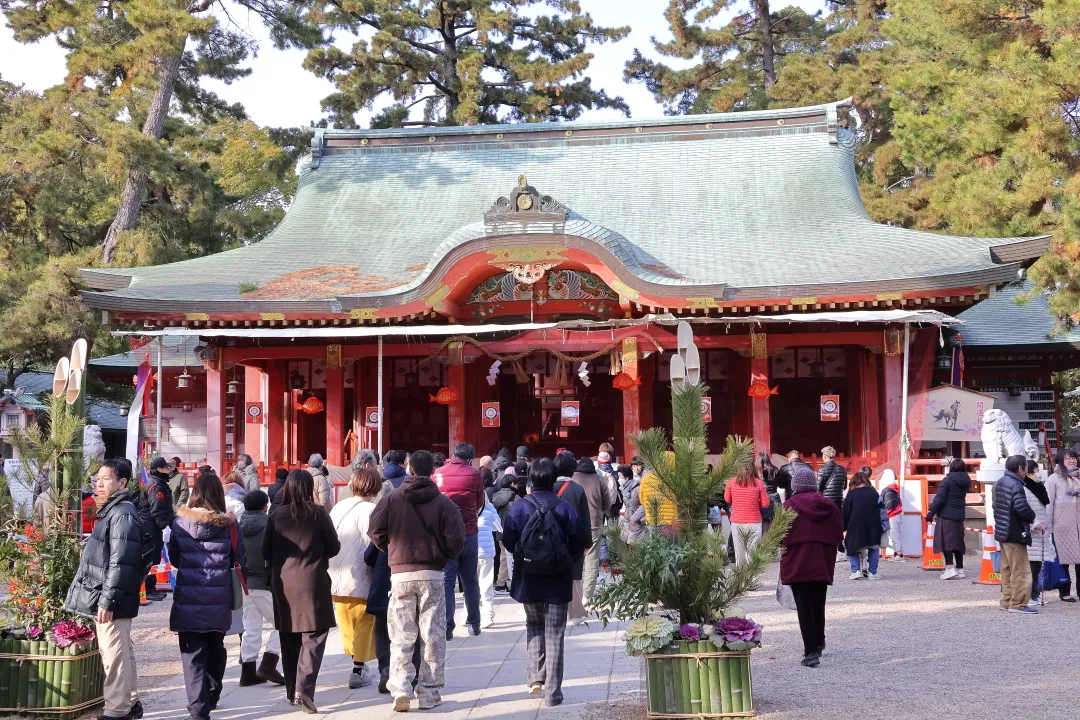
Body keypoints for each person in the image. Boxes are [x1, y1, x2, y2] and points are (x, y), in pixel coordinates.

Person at [368, 450, 466, 713]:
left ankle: (400, 688)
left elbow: (375, 531)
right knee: (432, 635)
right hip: (432, 573)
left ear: (409, 469)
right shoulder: (444, 503)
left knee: (401, 634)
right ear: (432, 471)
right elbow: (457, 540)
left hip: (401, 574)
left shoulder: (391, 499)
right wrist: (443, 555)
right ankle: (428, 692)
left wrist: (392, 551)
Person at [500, 457, 587, 707]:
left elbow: (508, 541)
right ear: (552, 480)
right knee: (555, 632)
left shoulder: (520, 507)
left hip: (529, 578)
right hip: (558, 579)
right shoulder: (564, 508)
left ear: (530, 480)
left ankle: (535, 678)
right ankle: (553, 693)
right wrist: (563, 559)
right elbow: (580, 542)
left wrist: (527, 556)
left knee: (534, 624)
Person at [64, 460, 146, 720]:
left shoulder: (121, 513)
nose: (99, 483)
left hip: (111, 598)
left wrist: (107, 601)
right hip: (112, 595)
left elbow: (121, 562)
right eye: (96, 478)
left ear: (122, 483)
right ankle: (130, 703)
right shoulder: (114, 510)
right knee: (121, 651)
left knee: (113, 655)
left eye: (106, 478)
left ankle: (116, 711)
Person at [264, 469, 342, 711]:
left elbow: (266, 551)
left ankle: (292, 691)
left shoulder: (275, 515)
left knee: (289, 637)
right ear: (309, 488)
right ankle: (303, 689)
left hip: (283, 583)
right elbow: (334, 546)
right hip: (312, 581)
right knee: (314, 635)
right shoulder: (318, 513)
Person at [169, 474, 244, 719]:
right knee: (216, 647)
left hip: (188, 596)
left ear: (195, 494)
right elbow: (238, 558)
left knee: (192, 655)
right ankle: (212, 694)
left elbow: (175, 559)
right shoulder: (230, 525)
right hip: (219, 596)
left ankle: (198, 709)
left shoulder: (179, 523)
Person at [780, 465, 844, 668]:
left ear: (795, 485)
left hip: (797, 560)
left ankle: (811, 652)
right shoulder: (829, 505)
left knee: (804, 606)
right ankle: (819, 641)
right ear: (814, 484)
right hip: (822, 560)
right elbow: (838, 534)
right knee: (818, 601)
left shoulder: (788, 506)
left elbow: (780, 535)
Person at [329, 466, 381, 689]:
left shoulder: (338, 507)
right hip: (360, 573)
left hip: (336, 572)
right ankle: (358, 669)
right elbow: (374, 544)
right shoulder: (370, 510)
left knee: (346, 622)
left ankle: (356, 663)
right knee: (364, 622)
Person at [432, 442, 485, 638]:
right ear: (470, 459)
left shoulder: (437, 474)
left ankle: (447, 626)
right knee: (470, 580)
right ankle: (474, 623)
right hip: (469, 532)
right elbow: (479, 502)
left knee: (447, 580)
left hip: (445, 534)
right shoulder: (474, 474)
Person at [238, 489, 286, 686]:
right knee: (284, 623)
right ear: (265, 507)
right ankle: (269, 663)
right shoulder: (270, 525)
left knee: (251, 628)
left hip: (244, 583)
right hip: (265, 582)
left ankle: (247, 672)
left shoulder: (237, 525)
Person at [993, 456, 1039, 614]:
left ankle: (1007, 601)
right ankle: (1018, 604)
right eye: (1025, 467)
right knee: (1020, 571)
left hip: (1002, 531)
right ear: (1020, 468)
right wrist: (1032, 516)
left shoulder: (1000, 482)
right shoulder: (1016, 485)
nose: (1026, 471)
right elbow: (1021, 507)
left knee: (1007, 571)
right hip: (1015, 531)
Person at [553, 451, 593, 625]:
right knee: (575, 577)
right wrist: (588, 542)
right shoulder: (577, 489)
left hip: (553, 538)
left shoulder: (549, 488)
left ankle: (556, 610)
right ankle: (576, 613)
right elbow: (585, 518)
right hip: (574, 539)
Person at [571, 457, 612, 603]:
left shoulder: (573, 478)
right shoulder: (599, 479)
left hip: (574, 524)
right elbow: (608, 503)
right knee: (592, 560)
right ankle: (587, 596)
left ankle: (573, 593)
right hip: (594, 523)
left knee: (575, 559)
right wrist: (599, 510)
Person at [925, 458, 971, 579]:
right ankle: (960, 569)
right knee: (958, 542)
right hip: (959, 515)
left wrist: (931, 512)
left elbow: (939, 498)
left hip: (946, 515)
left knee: (946, 543)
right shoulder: (966, 480)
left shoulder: (947, 481)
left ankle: (950, 568)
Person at [1047, 449, 1080, 602]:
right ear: (1061, 461)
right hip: (1062, 526)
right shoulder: (1053, 479)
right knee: (1063, 561)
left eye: (1074, 458)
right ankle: (1064, 591)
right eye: (1068, 459)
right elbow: (1048, 504)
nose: (1072, 461)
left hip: (1078, 525)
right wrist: (1048, 527)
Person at [723, 463, 771, 566]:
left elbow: (727, 499)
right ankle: (752, 575)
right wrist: (755, 502)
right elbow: (766, 503)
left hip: (737, 520)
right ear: (752, 468)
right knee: (752, 552)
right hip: (754, 521)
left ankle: (741, 575)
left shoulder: (731, 482)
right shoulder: (758, 483)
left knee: (739, 553)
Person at [1023, 459, 1055, 607]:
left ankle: (1034, 595)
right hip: (1033, 531)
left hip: (1041, 531)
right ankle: (1029, 596)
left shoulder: (1038, 487)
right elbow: (1025, 509)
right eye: (1035, 471)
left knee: (1036, 566)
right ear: (1027, 473)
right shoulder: (1024, 488)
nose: (1037, 474)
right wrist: (1035, 524)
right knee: (1030, 567)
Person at [144, 457, 177, 601]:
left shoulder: (158, 483)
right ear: (159, 469)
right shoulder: (156, 486)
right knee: (151, 559)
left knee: (155, 558)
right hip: (151, 528)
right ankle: (149, 590)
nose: (169, 470)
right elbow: (157, 509)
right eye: (166, 468)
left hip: (154, 526)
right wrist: (164, 527)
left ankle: (151, 588)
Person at [841, 472, 884, 580]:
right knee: (873, 547)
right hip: (873, 524)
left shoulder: (851, 493)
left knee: (852, 546)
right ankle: (873, 573)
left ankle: (856, 571)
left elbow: (846, 512)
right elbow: (882, 509)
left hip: (856, 525)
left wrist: (843, 526)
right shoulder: (873, 492)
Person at [477, 498, 503, 628]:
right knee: (486, 585)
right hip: (486, 553)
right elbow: (498, 527)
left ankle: (468, 615)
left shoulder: (466, 509)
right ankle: (488, 616)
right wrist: (490, 507)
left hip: (470, 552)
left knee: (470, 586)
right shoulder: (488, 512)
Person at [493, 472, 520, 593]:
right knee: (511, 559)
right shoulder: (515, 497)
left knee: (503, 558)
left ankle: (501, 583)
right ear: (512, 483)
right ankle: (508, 583)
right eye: (516, 483)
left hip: (500, 532)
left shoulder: (496, 497)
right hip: (512, 532)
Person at [639, 454, 678, 531]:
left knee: (654, 539)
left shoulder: (646, 477)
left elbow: (641, 499)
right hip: (670, 522)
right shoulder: (674, 477)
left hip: (652, 520)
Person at [879, 469, 904, 562]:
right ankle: (897, 553)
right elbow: (899, 502)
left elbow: (889, 505)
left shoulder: (887, 490)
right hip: (897, 514)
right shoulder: (894, 489)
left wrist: (884, 513)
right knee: (896, 534)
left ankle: (899, 554)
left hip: (892, 515)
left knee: (894, 535)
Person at [620, 464, 647, 544]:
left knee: (635, 545)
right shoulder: (624, 488)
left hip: (637, 521)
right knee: (625, 543)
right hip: (627, 521)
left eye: (620, 476)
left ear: (627, 477)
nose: (619, 479)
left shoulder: (638, 488)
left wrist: (634, 518)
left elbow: (644, 504)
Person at [817, 446, 847, 511]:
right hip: (839, 502)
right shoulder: (843, 470)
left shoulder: (822, 470)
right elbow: (844, 487)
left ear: (825, 457)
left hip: (826, 502)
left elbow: (818, 488)